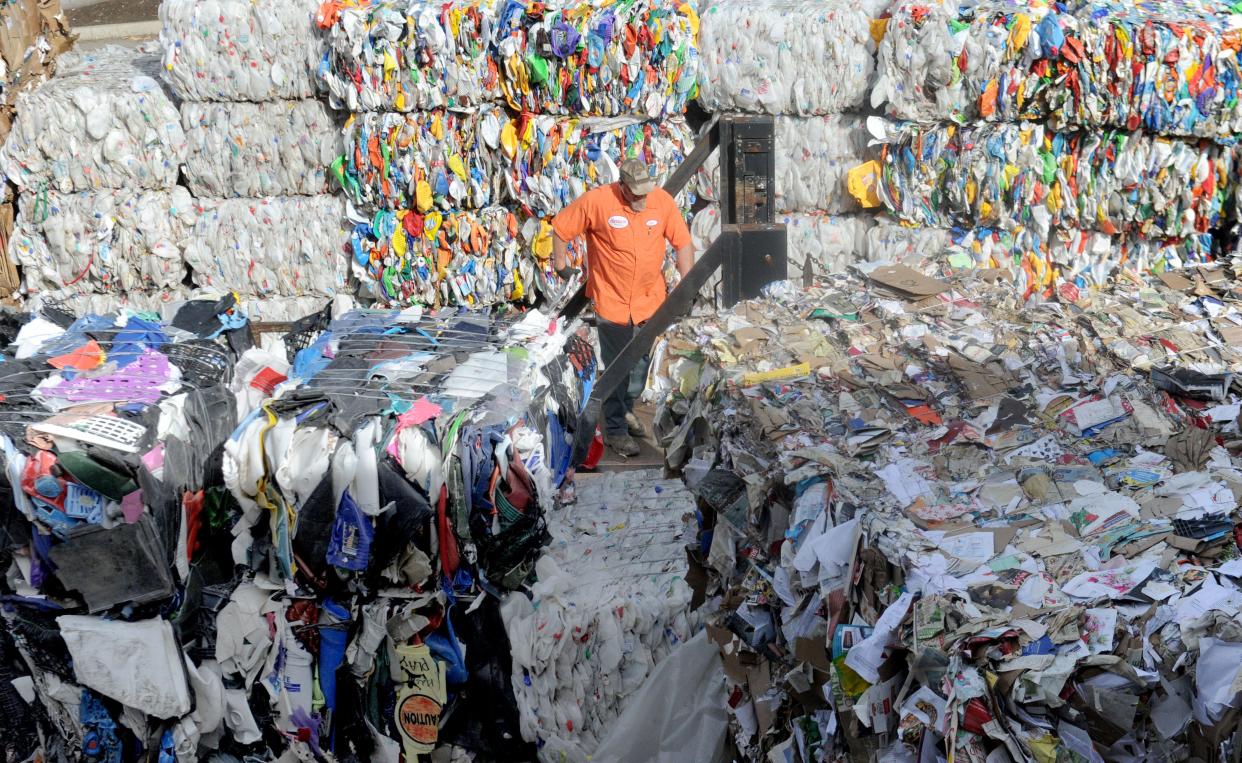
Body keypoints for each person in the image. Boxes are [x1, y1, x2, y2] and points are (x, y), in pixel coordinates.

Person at [550, 158, 695, 457]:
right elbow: (561, 228)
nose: (643, 199)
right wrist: (562, 266)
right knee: (617, 367)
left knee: (641, 364)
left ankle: (626, 409)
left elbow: (682, 242)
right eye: (636, 194)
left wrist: (686, 284)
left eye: (646, 192)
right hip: (612, 300)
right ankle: (615, 429)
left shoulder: (662, 203)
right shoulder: (599, 201)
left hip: (649, 301)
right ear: (623, 188)